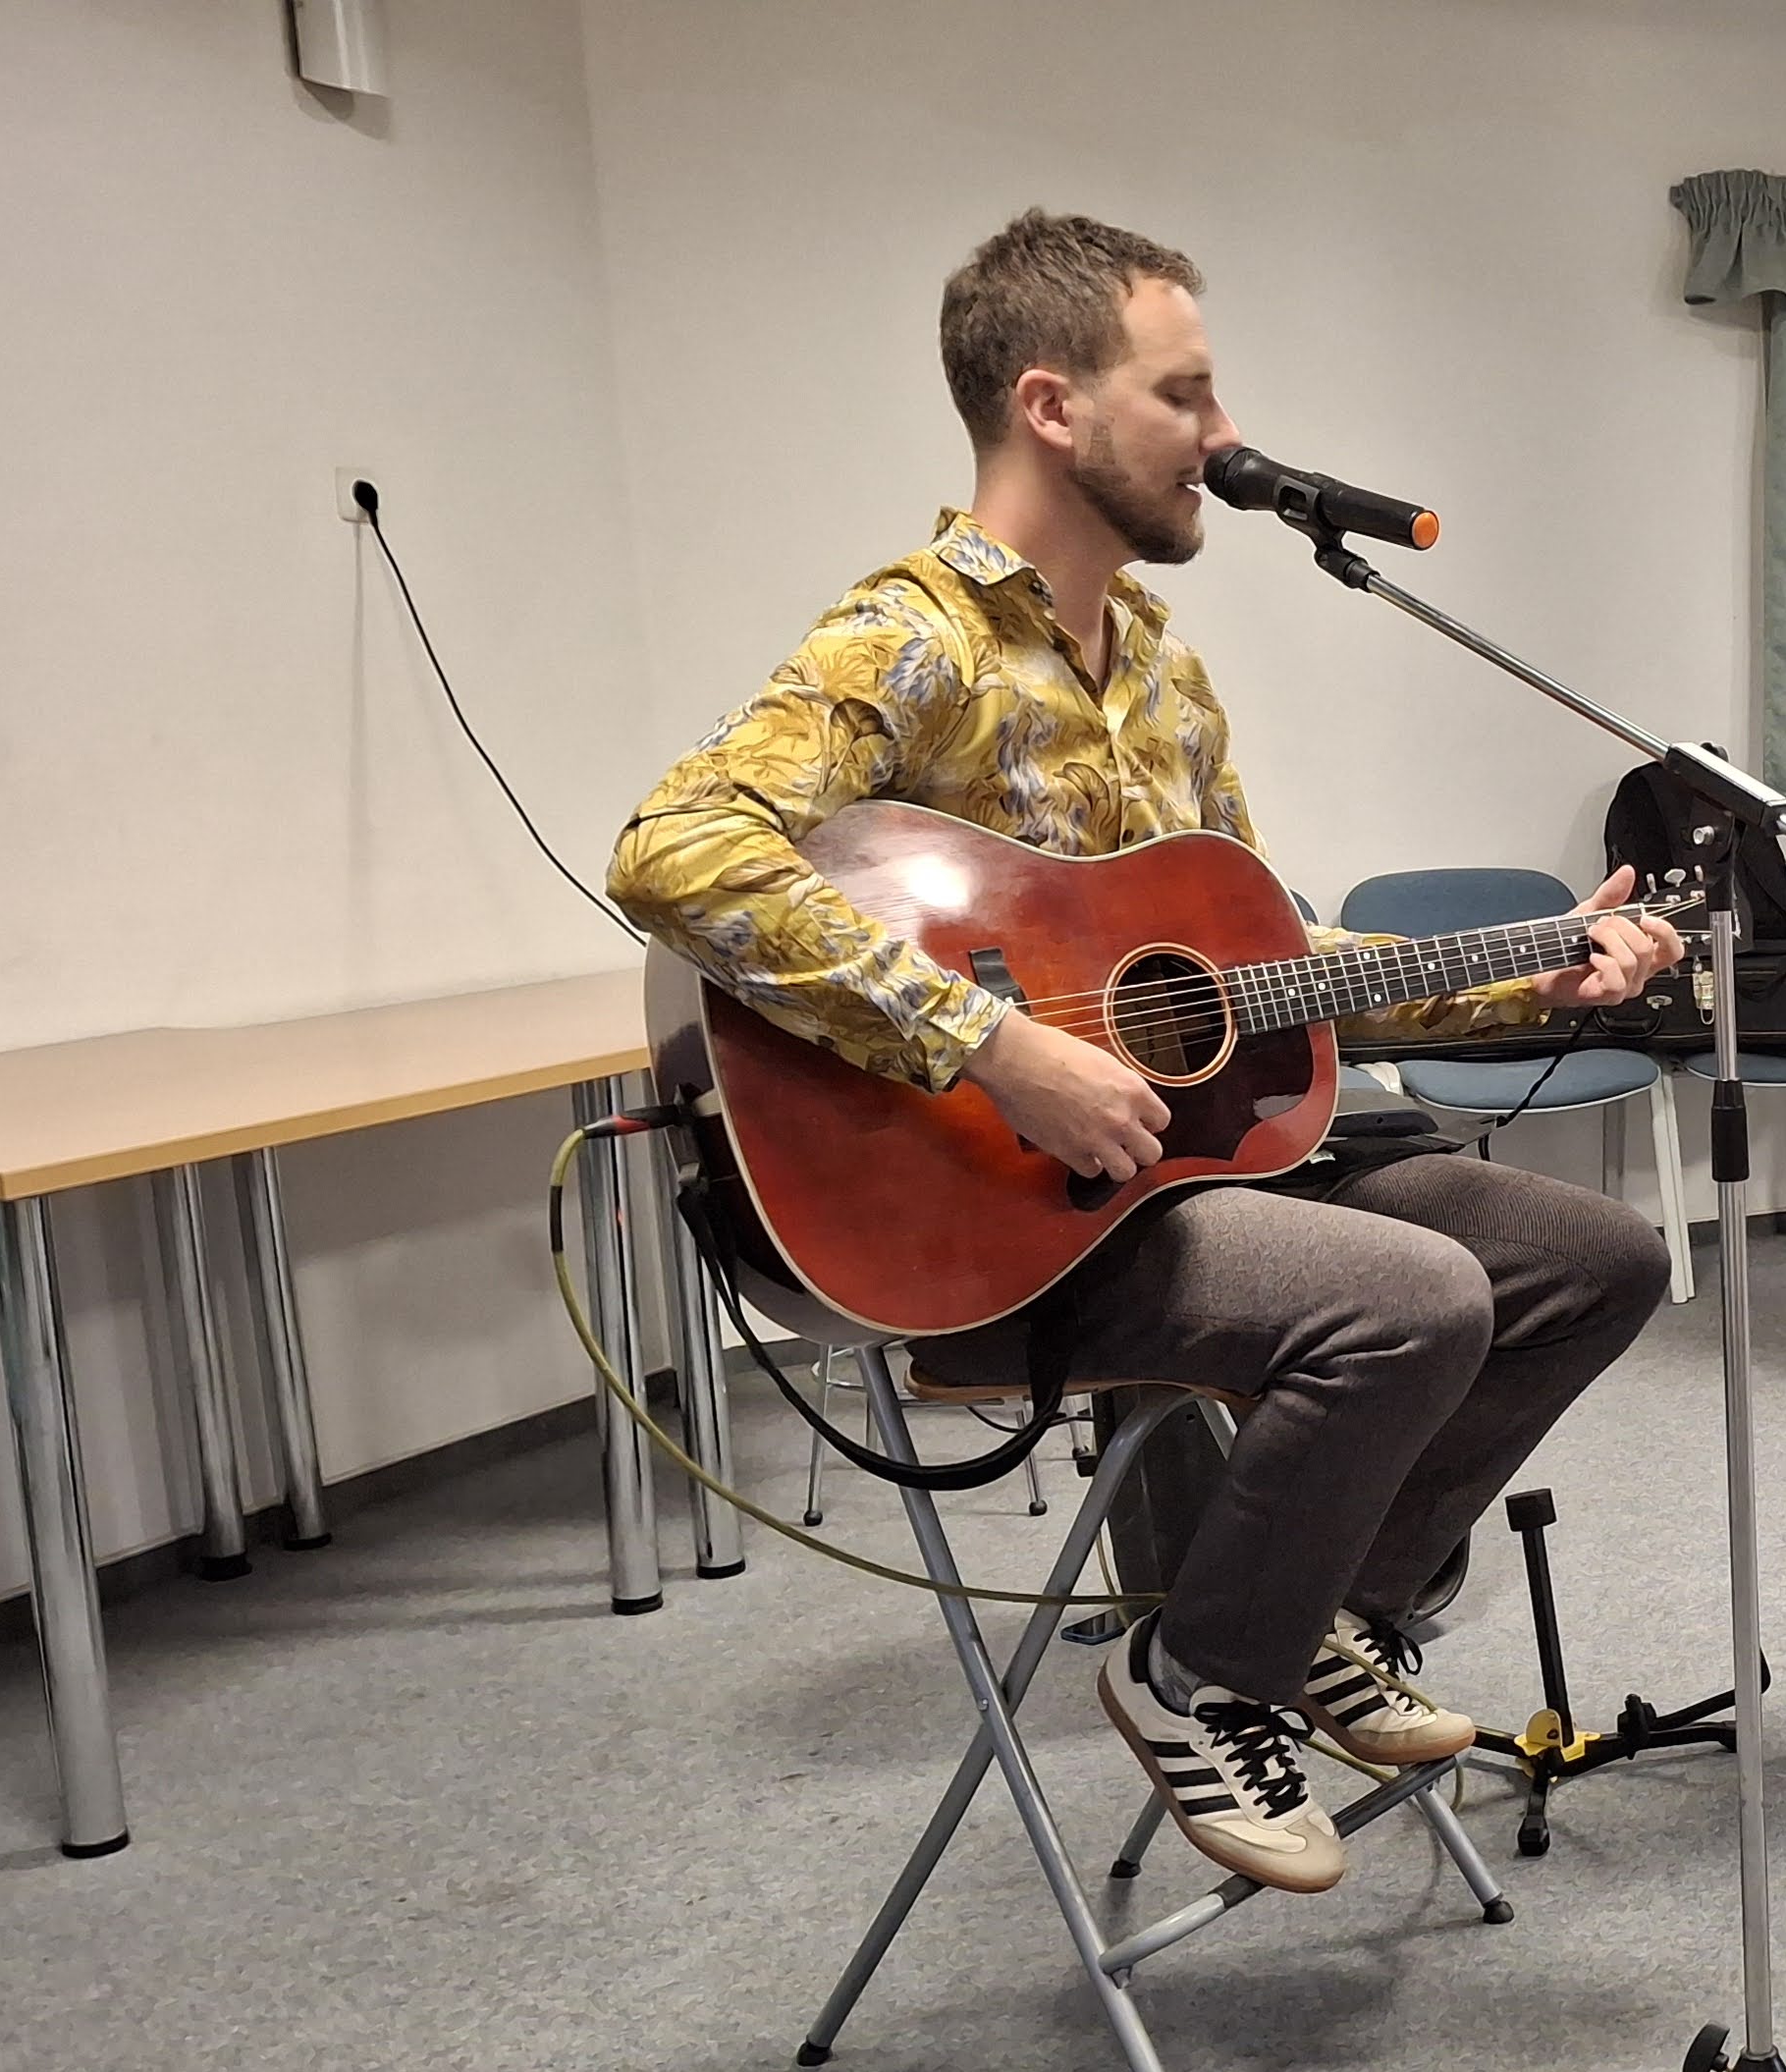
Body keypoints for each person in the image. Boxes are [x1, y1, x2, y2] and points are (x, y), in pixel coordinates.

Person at [606, 211, 1683, 1894]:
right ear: (1051, 407)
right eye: (1183, 394)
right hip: (996, 1221)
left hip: (1176, 1178)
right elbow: (675, 850)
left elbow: (1260, 973)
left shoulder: (1166, 672)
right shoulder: (912, 639)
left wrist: (1525, 976)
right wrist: (996, 1048)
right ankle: (1198, 1671)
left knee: (1594, 1259)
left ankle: (1320, 1614)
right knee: (1410, 1299)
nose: (1221, 434)